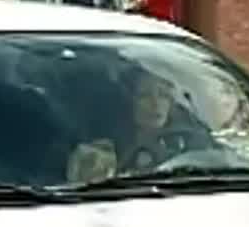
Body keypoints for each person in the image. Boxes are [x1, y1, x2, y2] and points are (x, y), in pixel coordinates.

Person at [65, 68, 212, 183]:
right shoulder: (105, 148)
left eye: (163, 95)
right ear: (130, 101)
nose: (155, 104)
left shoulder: (191, 141)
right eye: (145, 95)